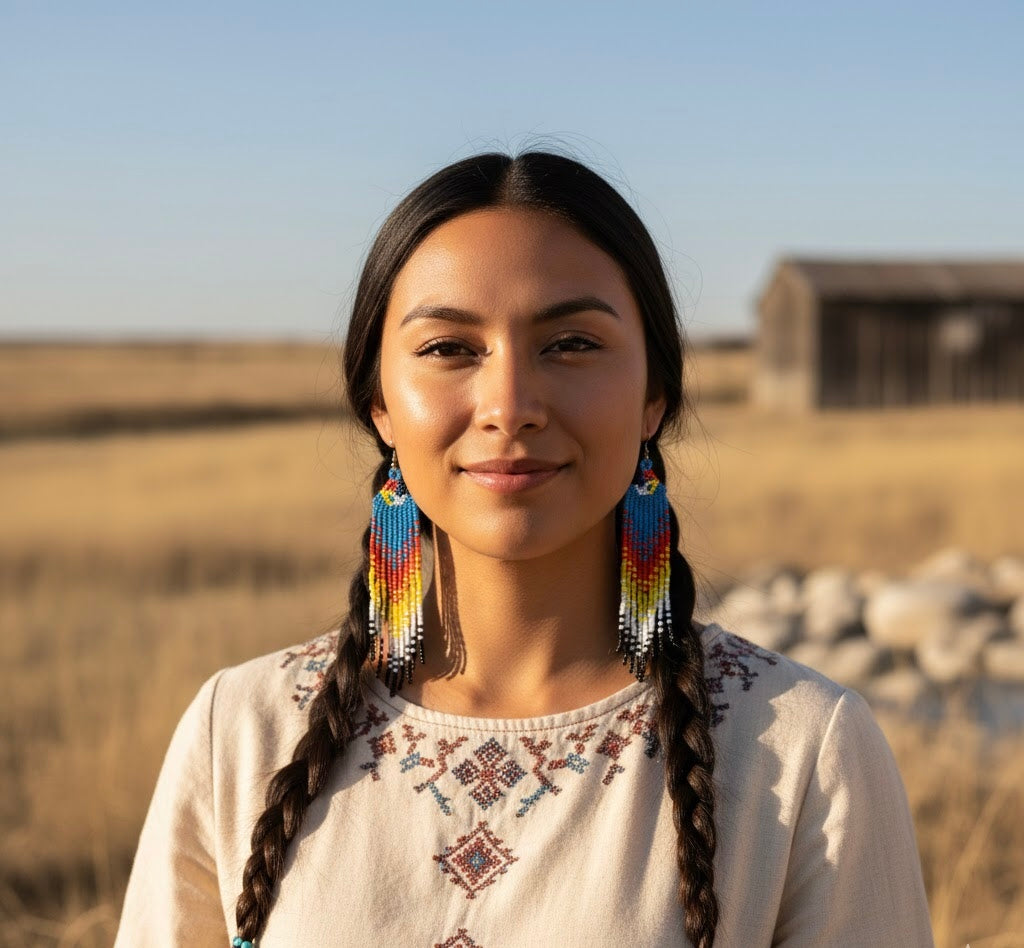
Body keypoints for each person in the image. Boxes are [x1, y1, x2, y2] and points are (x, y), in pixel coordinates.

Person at [115, 151, 934, 947]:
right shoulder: (245, 731)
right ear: (380, 406)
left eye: (572, 343)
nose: (510, 405)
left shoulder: (800, 747)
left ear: (655, 395)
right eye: (449, 349)